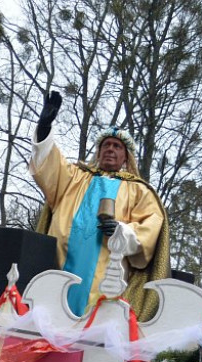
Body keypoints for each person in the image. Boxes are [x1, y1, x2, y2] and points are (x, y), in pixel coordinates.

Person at [30, 91, 170, 319]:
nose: (111, 149)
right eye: (106, 145)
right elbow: (48, 167)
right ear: (99, 150)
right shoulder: (75, 177)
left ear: (126, 156)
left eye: (117, 146)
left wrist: (122, 231)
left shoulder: (138, 190)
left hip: (108, 278)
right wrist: (45, 128)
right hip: (60, 268)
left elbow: (151, 226)